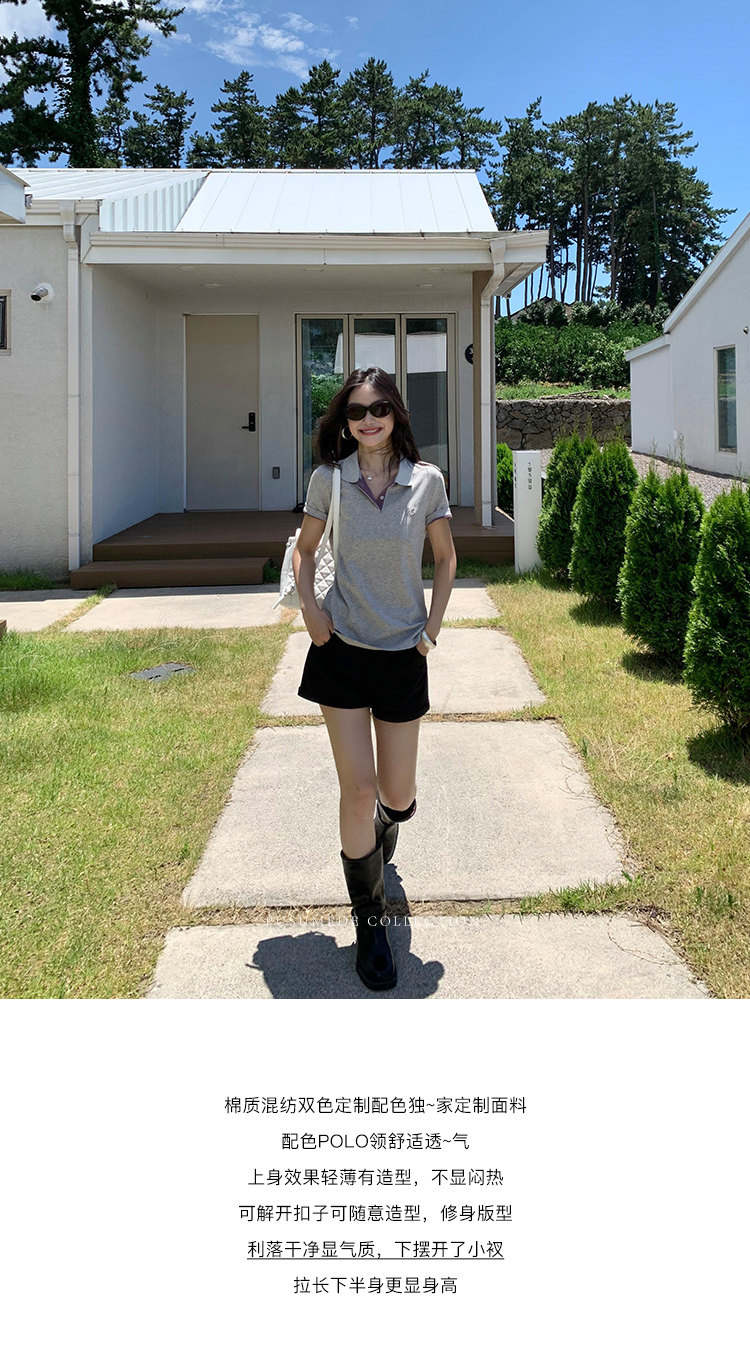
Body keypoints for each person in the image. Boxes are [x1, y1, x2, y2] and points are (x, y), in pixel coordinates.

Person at [292, 365, 457, 992]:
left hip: (401, 656)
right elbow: (306, 550)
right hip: (340, 649)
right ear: (345, 420)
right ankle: (370, 924)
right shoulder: (329, 479)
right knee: (357, 791)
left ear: (396, 415)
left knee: (398, 797)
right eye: (357, 411)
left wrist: (431, 629)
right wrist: (311, 610)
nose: (368, 420)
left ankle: (386, 825)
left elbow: (446, 558)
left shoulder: (427, 481)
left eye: (379, 409)